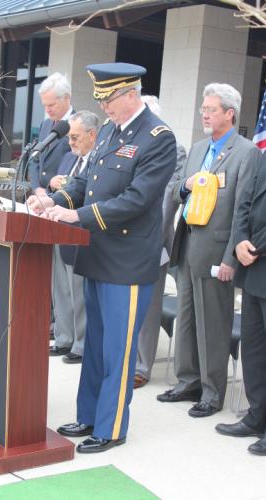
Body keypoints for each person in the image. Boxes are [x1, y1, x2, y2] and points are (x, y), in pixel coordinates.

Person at [28, 62, 177, 453]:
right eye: (102, 99)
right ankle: (89, 415)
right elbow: (84, 181)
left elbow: (137, 199)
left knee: (117, 349)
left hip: (127, 261)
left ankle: (111, 428)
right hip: (98, 254)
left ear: (131, 94)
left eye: (109, 98)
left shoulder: (157, 137)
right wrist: (51, 201)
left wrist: (76, 216)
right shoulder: (111, 131)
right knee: (94, 344)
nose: (104, 106)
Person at [157, 83, 261, 417]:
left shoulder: (246, 153)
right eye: (203, 108)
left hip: (217, 252)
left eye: (211, 109)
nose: (204, 113)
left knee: (213, 323)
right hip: (187, 244)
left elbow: (242, 210)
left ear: (229, 113)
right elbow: (175, 192)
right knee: (187, 318)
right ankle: (188, 381)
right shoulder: (200, 148)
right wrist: (184, 187)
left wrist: (231, 257)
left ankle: (212, 391)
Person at [134, 95, 186, 388]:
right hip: (126, 238)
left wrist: (150, 238)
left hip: (154, 239)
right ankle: (128, 359)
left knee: (149, 305)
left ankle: (142, 365)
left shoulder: (174, 150)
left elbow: (168, 200)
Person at [215, 151, 266, 455]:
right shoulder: (261, 157)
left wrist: (256, 243)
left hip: (260, 254)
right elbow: (243, 203)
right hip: (253, 270)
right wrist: (239, 240)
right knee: (255, 350)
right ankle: (256, 416)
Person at [49, 110, 99, 363]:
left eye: (76, 138)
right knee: (60, 289)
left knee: (78, 290)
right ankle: (63, 337)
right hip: (59, 229)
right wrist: (51, 186)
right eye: (69, 138)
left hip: (82, 230)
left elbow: (85, 191)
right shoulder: (69, 158)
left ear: (92, 135)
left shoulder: (97, 161)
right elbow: (62, 189)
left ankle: (80, 344)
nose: (71, 143)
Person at [28, 72, 74, 196]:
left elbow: (79, 165)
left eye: (51, 105)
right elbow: (36, 158)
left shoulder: (78, 125)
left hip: (62, 198)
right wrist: (37, 188)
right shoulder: (45, 124)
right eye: (44, 105)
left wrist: (50, 188)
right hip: (40, 197)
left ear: (66, 98)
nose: (47, 110)